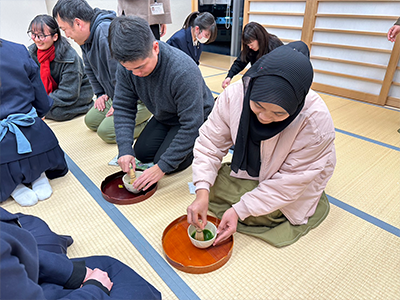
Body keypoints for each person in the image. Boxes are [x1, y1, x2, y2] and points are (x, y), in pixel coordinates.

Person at [187, 41, 336, 248]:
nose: (265, 117)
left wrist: (239, 211)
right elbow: (209, 144)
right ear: (252, 86)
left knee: (267, 212)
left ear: (297, 105)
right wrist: (201, 191)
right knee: (208, 188)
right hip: (257, 167)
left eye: (278, 113)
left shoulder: (315, 122)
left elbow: (291, 182)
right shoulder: (234, 95)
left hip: (292, 178)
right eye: (258, 105)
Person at [109, 16, 215, 192]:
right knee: (141, 153)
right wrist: (125, 149)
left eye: (141, 67)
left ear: (155, 47)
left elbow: (191, 124)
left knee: (165, 163)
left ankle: (199, 146)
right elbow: (124, 107)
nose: (136, 73)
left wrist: (162, 168)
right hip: (164, 115)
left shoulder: (183, 70)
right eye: (130, 69)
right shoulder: (126, 66)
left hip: (194, 118)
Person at [0, 207, 162, 299]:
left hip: (21, 275)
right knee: (120, 279)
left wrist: (75, 273)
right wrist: (94, 289)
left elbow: (16, 247)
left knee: (34, 226)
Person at [53, 0, 151, 143]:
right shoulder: (86, 38)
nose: (66, 35)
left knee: (106, 132)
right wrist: (100, 94)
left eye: (64, 29)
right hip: (115, 94)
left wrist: (119, 104)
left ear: (78, 23)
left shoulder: (104, 33)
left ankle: (150, 126)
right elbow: (89, 69)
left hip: (136, 97)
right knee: (91, 121)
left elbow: (120, 74)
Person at [0, 39, 68, 206]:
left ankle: (15, 186)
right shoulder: (18, 49)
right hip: (36, 137)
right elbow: (41, 99)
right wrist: (38, 116)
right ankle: (38, 174)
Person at [27, 14, 94, 121]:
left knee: (57, 113)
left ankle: (86, 106)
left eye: (41, 36)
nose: (37, 40)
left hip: (77, 93)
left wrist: (41, 105)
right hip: (51, 96)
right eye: (33, 34)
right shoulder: (31, 53)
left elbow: (69, 92)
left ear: (55, 37)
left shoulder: (69, 57)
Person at [221, 22, 283, 89]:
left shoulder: (274, 45)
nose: (250, 47)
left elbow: (281, 67)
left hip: (275, 80)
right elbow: (240, 62)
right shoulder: (250, 48)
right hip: (259, 78)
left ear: (259, 38)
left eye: (251, 43)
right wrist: (229, 76)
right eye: (248, 44)